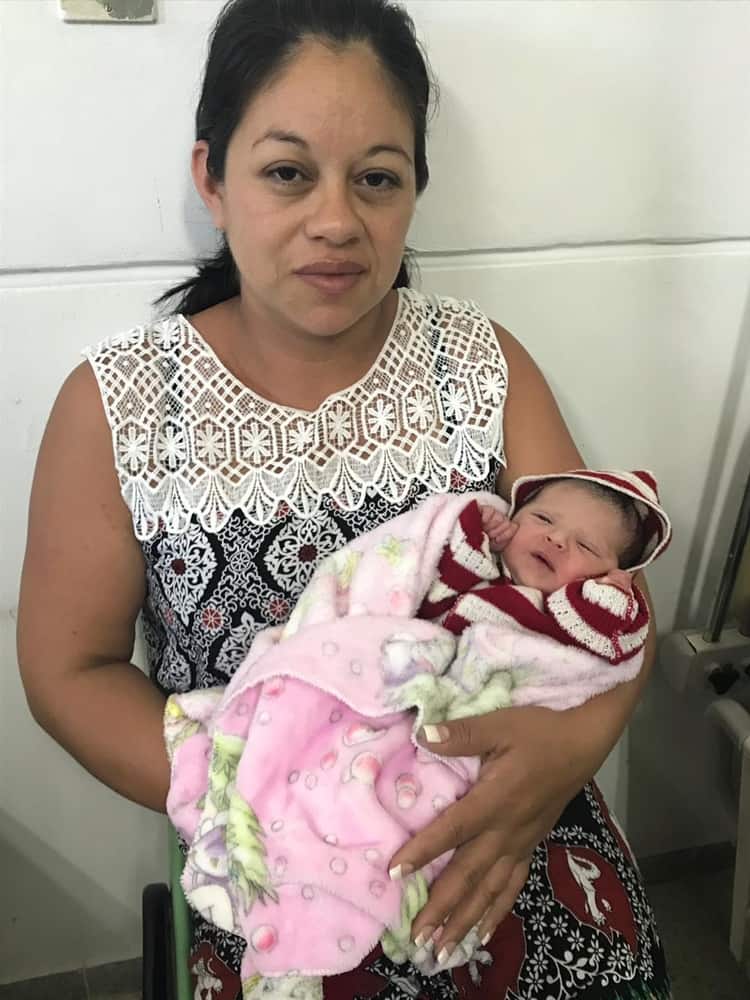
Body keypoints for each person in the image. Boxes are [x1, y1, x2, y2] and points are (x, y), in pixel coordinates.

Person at [16, 1, 671, 997]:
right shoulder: (123, 406)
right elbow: (69, 671)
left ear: (414, 191)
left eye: (377, 178)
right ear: (213, 179)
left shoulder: (481, 365)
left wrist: (564, 752)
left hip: (506, 814)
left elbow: (606, 593)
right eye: (287, 172)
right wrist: (265, 799)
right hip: (275, 846)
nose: (336, 219)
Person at [421, 469, 672, 666]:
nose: (556, 539)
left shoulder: (571, 615)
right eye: (543, 519)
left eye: (585, 546)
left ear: (608, 575)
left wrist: (612, 592)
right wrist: (479, 532)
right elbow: (432, 591)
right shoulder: (485, 567)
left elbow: (617, 635)